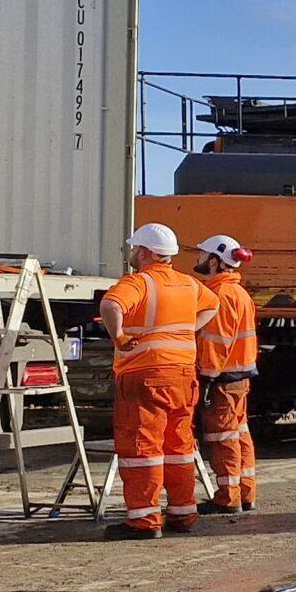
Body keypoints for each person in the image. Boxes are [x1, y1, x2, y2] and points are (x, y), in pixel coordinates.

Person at [97, 223, 214, 539]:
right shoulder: (189, 284)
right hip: (183, 376)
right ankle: (183, 513)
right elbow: (212, 305)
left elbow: (110, 306)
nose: (133, 254)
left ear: (146, 252)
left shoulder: (139, 282)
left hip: (145, 375)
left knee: (142, 447)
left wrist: (119, 338)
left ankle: (144, 520)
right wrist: (188, 329)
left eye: (136, 249)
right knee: (179, 446)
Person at [193, 233, 260, 512]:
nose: (197, 259)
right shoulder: (239, 292)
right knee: (239, 434)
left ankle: (228, 498)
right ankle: (245, 493)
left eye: (201, 254)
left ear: (215, 261)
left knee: (222, 438)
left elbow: (215, 343)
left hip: (221, 379)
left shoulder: (219, 295)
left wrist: (206, 377)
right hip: (239, 377)